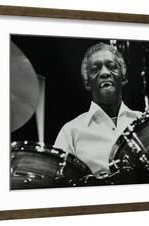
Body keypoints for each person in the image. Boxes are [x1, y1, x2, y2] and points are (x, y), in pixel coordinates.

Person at [54, 42, 142, 177]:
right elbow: (57, 179)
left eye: (112, 67)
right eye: (95, 69)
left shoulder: (143, 122)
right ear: (87, 83)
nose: (105, 73)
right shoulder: (70, 131)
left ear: (123, 78)